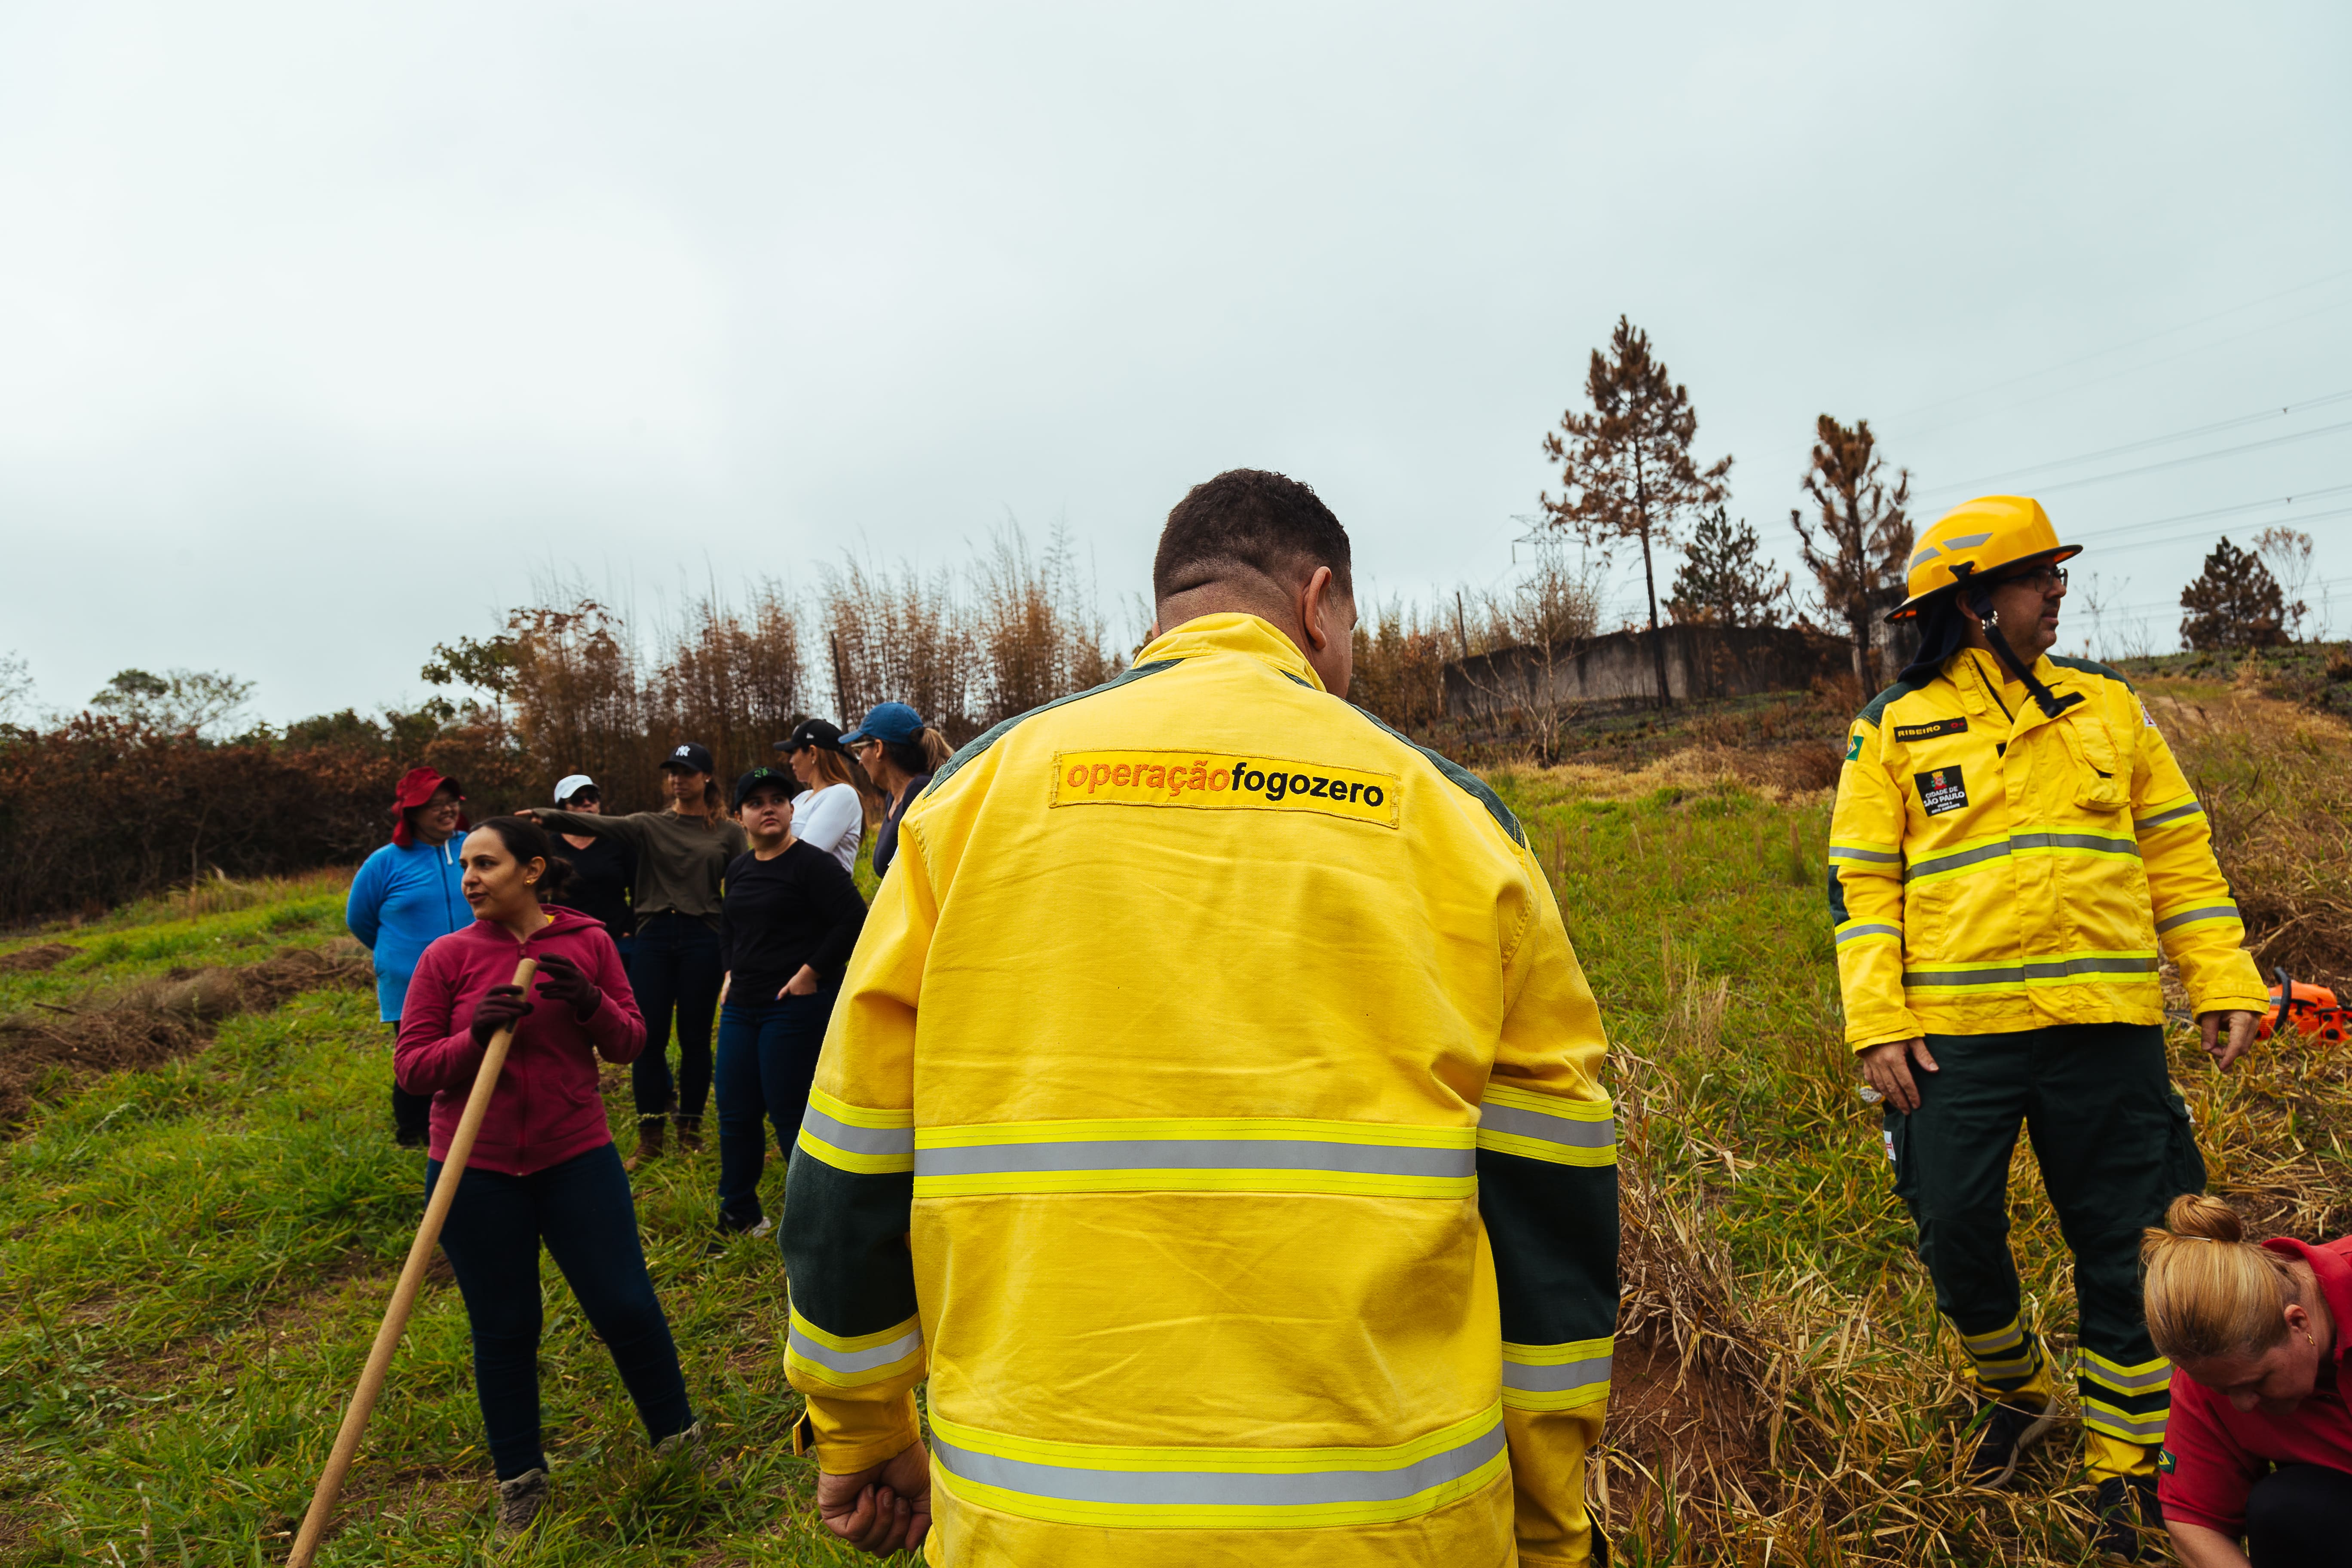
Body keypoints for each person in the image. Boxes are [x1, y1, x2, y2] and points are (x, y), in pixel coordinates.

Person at [782, 469, 1617, 1565]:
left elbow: (847, 1163)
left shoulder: (968, 806)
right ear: (1318, 603)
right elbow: (1549, 1206)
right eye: (1350, 629)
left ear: (1167, 608)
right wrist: (1550, 1530)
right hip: (1386, 1530)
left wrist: (860, 1428)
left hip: (1038, 1528)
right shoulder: (1457, 823)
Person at [1831, 495, 2269, 1557]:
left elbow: (2176, 853)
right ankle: (2018, 1391)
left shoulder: (2109, 710)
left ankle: (2124, 1470)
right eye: (2039, 578)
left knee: (2130, 1248)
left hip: (2103, 1032)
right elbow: (1861, 886)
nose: (2058, 591)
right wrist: (1877, 1026)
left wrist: (2221, 975)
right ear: (1975, 604)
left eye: (2056, 575)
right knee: (1953, 1228)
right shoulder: (1890, 727)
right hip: (1953, 1041)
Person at [392, 815, 702, 1537]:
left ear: (532, 870)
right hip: (476, 1165)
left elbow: (631, 1042)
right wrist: (472, 1037)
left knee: (624, 1303)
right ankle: (521, 1480)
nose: (469, 878)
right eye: (464, 865)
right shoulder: (447, 957)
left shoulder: (588, 940)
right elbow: (411, 1069)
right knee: (504, 1325)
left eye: (486, 864)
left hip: (575, 1155)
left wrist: (588, 1001)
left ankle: (679, 1440)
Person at [527, 743, 747, 1167]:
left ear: (706, 778)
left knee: (696, 1040)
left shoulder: (727, 832)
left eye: (686, 771)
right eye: (672, 772)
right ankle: (651, 1137)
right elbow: (596, 823)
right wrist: (545, 817)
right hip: (654, 938)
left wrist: (737, 953)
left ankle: (690, 1130)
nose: (677, 779)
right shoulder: (648, 825)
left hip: (703, 937)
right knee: (647, 1038)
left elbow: (741, 892)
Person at [2141, 1194, 2352, 1566]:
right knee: (2286, 1508)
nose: (2242, 1404)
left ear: (2297, 1322)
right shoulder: (2217, 1373)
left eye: (2258, 1381)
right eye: (2224, 1390)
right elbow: (2194, 1522)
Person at [712, 766, 867, 1237]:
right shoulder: (739, 869)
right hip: (742, 1007)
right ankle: (739, 1214)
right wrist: (728, 971)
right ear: (741, 817)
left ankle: (816, 1223)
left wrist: (810, 974)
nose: (769, 809)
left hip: (793, 1009)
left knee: (789, 1115)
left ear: (791, 809)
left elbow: (854, 920)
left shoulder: (812, 865)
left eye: (778, 800)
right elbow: (730, 925)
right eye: (756, 803)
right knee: (735, 1113)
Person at [345, 767, 470, 1147]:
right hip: (410, 977)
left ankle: (472, 1124)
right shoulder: (384, 863)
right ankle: (415, 1134)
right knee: (421, 1057)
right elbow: (360, 920)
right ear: (411, 813)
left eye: (451, 803)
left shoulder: (474, 847)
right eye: (435, 805)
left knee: (471, 1048)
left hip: (472, 971)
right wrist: (400, 955)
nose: (447, 811)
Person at [840, 704, 946, 878]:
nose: (860, 762)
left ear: (878, 749)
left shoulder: (919, 792)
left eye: (860, 751)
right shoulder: (894, 797)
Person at [772, 720, 875, 876]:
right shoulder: (801, 799)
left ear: (813, 753)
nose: (791, 760)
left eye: (794, 752)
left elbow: (804, 859)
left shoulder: (842, 795)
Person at [546, 774, 637, 952]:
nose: (588, 803)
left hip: (616, 940)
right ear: (563, 809)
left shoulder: (618, 841)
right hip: (567, 939)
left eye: (592, 798)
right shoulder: (551, 847)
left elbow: (639, 888)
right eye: (578, 800)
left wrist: (630, 928)